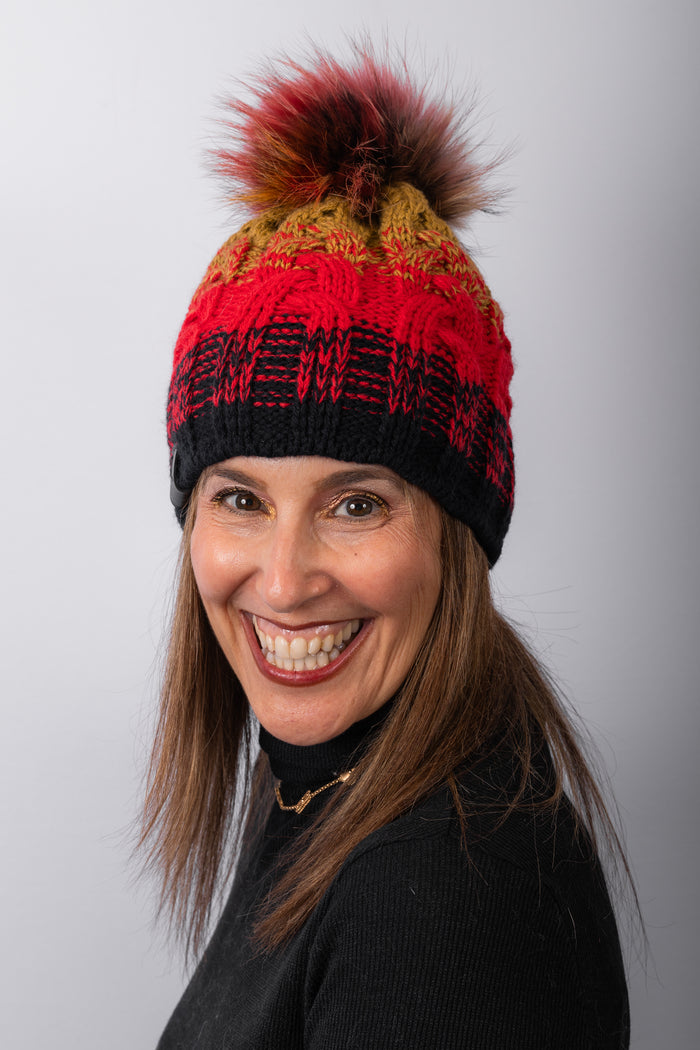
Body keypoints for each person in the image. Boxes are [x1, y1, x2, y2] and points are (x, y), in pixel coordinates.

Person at [141, 47, 631, 1049]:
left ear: (458, 531)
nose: (284, 581)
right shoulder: (328, 772)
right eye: (240, 498)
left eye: (356, 504)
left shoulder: (443, 895)